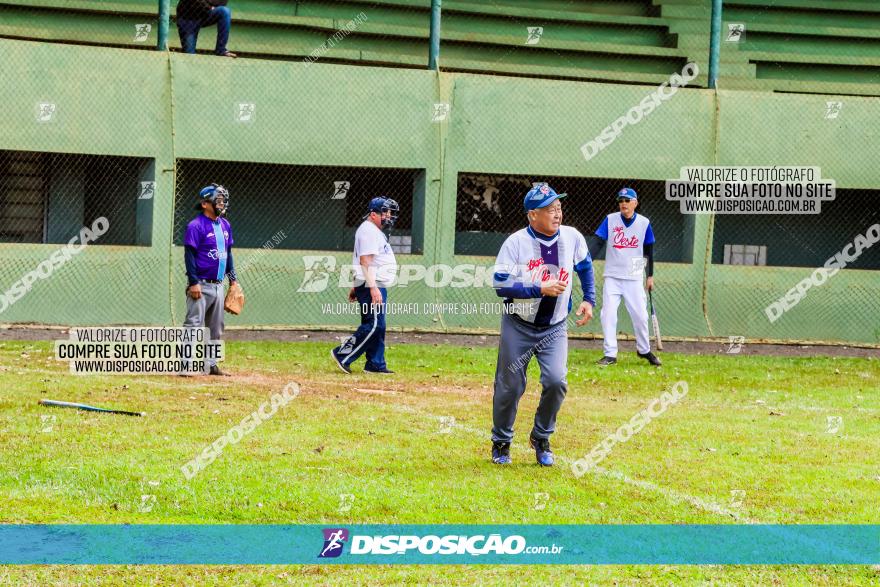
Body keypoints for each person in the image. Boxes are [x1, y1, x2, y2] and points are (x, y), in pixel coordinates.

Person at [490, 183, 595, 466]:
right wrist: (539, 288)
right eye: (550, 208)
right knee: (510, 386)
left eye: (558, 207)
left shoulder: (572, 237)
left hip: (555, 327)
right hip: (519, 324)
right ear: (532, 215)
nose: (557, 212)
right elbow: (501, 285)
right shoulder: (516, 243)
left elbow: (585, 266)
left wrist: (589, 299)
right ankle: (501, 441)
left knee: (556, 381)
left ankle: (541, 436)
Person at [592, 187, 661, 367]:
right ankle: (610, 354)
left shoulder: (644, 223)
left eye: (627, 200)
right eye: (621, 200)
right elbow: (598, 242)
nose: (623, 203)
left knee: (640, 314)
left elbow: (648, 251)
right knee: (608, 314)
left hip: (634, 274)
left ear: (635, 203)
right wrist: (586, 260)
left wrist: (650, 276)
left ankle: (644, 350)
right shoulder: (610, 219)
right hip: (613, 275)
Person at [330, 197, 400, 375]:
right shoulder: (369, 230)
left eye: (390, 212)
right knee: (374, 324)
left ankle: (375, 364)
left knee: (379, 325)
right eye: (385, 212)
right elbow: (365, 261)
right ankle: (342, 354)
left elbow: (363, 260)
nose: (389, 216)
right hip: (372, 284)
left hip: (370, 283)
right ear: (373, 214)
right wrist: (372, 287)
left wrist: (356, 285)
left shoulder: (373, 230)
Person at [182, 184, 237, 376]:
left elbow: (228, 255)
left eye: (223, 200)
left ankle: (211, 364)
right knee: (193, 324)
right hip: (201, 284)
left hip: (218, 285)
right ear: (205, 203)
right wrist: (193, 282)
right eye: (218, 200)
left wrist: (233, 281)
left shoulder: (225, 225)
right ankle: (185, 365)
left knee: (216, 327)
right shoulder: (195, 226)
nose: (222, 204)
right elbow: (189, 256)